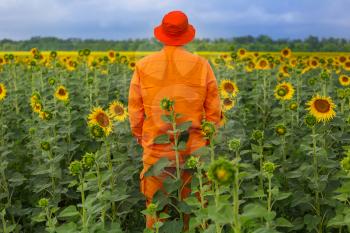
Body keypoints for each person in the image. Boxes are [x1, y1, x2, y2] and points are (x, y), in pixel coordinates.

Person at [128, 10, 222, 230]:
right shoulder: (202, 66)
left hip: (156, 150)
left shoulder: (143, 66)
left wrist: (144, 138)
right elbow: (214, 112)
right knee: (195, 211)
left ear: (161, 34)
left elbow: (135, 112)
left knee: (156, 213)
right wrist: (207, 140)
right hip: (194, 151)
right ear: (187, 35)